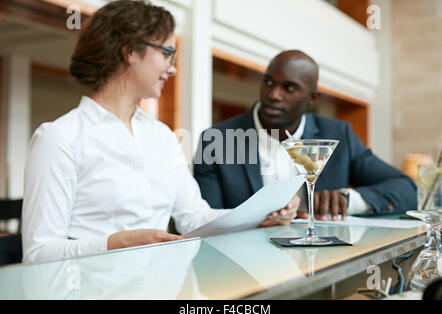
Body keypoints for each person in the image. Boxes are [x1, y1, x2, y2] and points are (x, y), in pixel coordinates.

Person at [21, 0, 298, 264]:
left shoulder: (161, 136)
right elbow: (38, 253)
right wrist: (113, 243)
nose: (173, 68)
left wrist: (261, 216)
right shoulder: (59, 138)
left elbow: (193, 217)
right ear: (129, 50)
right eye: (166, 53)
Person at [194, 50, 417, 221]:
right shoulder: (216, 141)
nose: (273, 95)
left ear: (312, 98)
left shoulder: (338, 135)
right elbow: (207, 221)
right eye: (269, 83)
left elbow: (406, 189)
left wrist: (345, 201)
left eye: (289, 88)